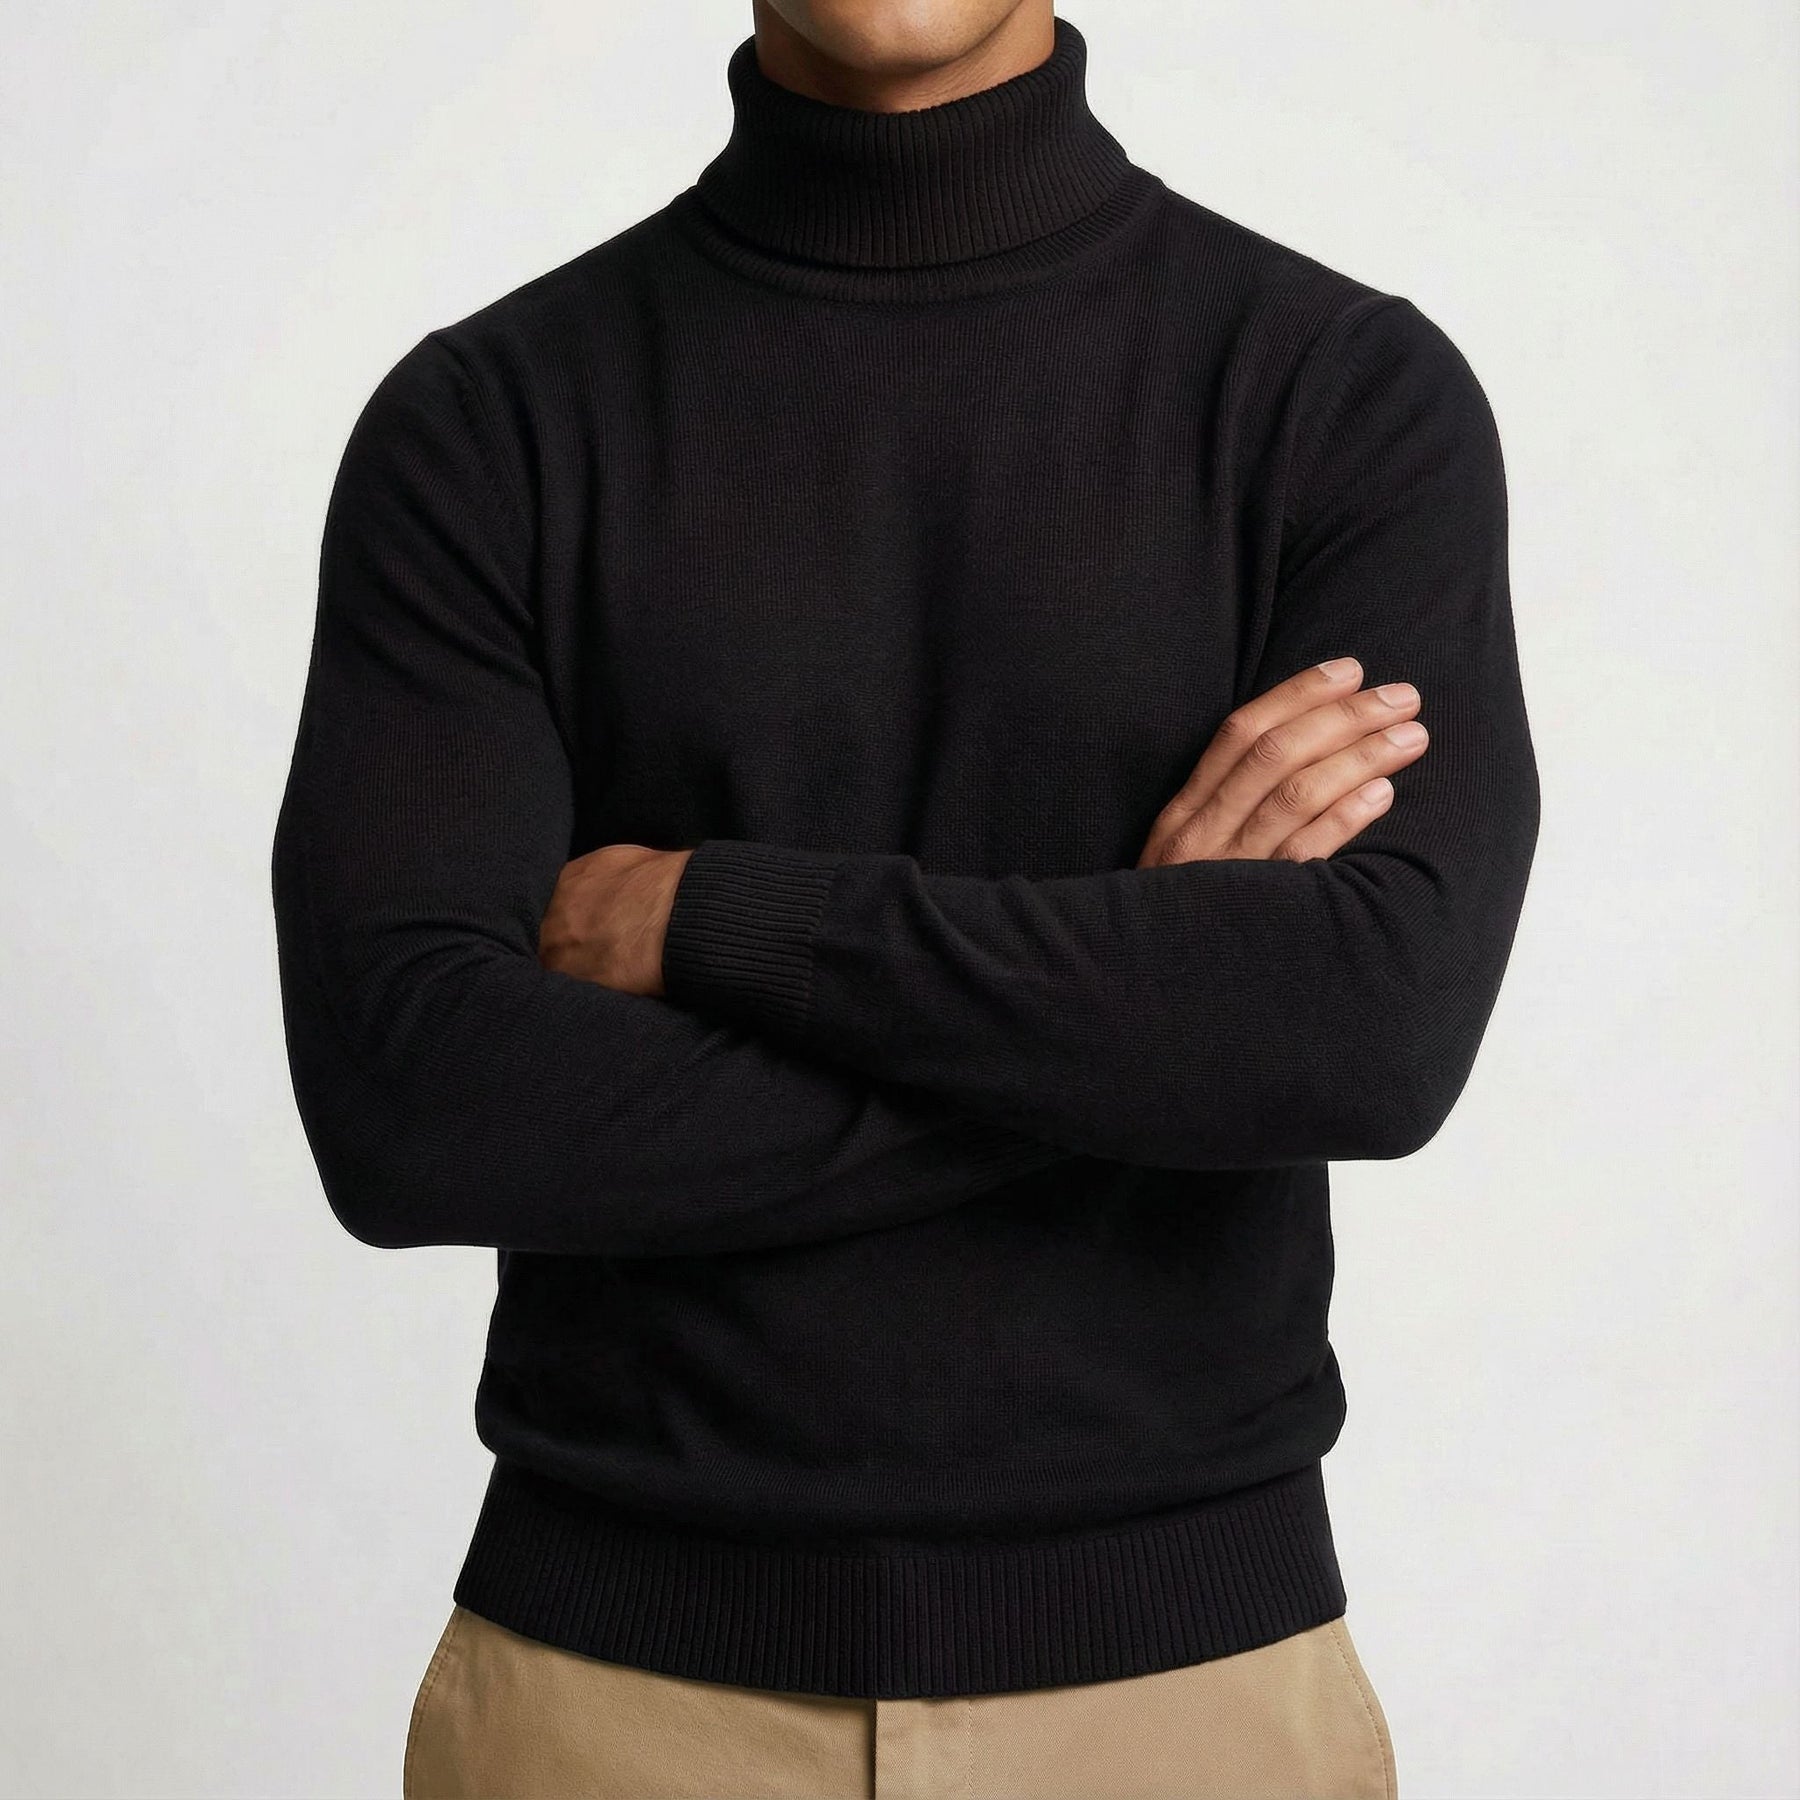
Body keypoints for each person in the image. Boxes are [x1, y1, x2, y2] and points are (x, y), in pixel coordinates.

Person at [270, 0, 1539, 1793]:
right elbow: (418, 1110)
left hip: (1185, 1704)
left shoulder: (1337, 391)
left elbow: (1367, 1033)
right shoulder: (490, 422)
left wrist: (719, 922)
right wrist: (1139, 1000)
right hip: (617, 1702)